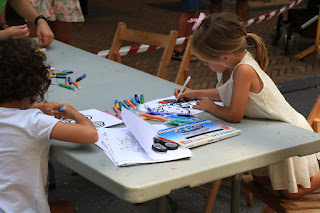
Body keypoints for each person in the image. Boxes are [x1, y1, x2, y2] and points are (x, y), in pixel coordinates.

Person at [174, 12, 320, 199]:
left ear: (224, 57)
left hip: (287, 131)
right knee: (261, 181)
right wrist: (194, 93)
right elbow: (228, 93)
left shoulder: (243, 69)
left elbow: (235, 114)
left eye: (206, 62)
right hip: (267, 131)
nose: (204, 65)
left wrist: (210, 107)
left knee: (290, 192)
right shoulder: (229, 64)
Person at [0, 38, 99, 212]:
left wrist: (39, 106)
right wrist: (73, 113)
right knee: (68, 208)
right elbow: (90, 134)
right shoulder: (34, 122)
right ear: (33, 84)